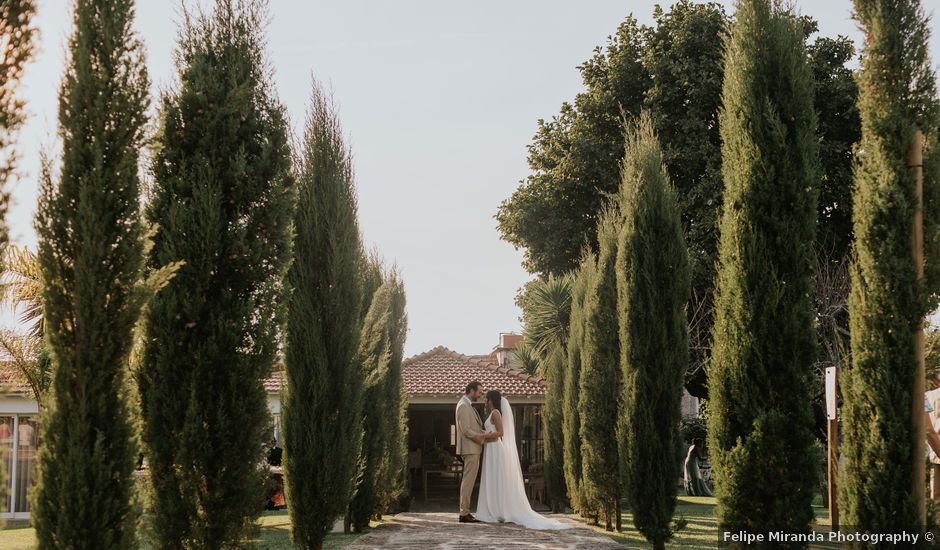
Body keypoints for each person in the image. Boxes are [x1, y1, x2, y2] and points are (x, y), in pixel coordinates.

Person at [475, 389, 570, 529]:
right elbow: (493, 432)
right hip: (491, 448)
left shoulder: (495, 413)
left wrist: (484, 436)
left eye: (486, 399)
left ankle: (498, 509)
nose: (484, 401)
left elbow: (501, 433)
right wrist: (485, 434)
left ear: (490, 400)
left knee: (496, 478)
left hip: (495, 449)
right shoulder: (492, 414)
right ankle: (493, 507)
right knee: (492, 478)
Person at [455, 380, 488, 523]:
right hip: (470, 449)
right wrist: (482, 437)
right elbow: (466, 430)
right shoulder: (463, 406)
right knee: (468, 481)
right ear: (471, 391)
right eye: (479, 392)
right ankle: (464, 513)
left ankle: (465, 512)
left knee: (469, 480)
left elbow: (472, 428)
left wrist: (485, 433)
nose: (480, 395)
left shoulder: (468, 405)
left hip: (473, 448)